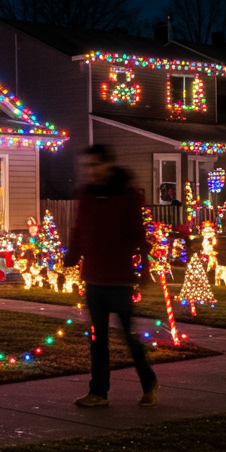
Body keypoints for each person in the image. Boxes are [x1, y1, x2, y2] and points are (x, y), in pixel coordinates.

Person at [63, 144, 159, 407]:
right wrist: (70, 259)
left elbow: (137, 235)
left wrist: (144, 271)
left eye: (94, 165)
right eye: (87, 166)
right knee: (98, 338)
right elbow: (80, 229)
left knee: (128, 336)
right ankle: (99, 392)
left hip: (119, 278)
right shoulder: (85, 195)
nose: (90, 171)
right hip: (93, 277)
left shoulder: (126, 195)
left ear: (107, 164)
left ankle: (149, 382)